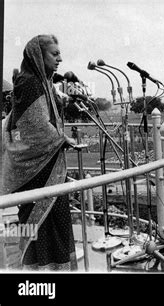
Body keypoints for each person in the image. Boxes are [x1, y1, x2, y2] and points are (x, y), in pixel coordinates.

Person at [1, 35, 77, 271]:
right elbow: (35, 129)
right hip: (38, 169)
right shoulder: (29, 82)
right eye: (54, 54)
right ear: (37, 55)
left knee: (56, 220)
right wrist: (61, 139)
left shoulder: (42, 81)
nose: (60, 59)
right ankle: (42, 274)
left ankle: (56, 268)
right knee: (42, 224)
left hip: (48, 164)